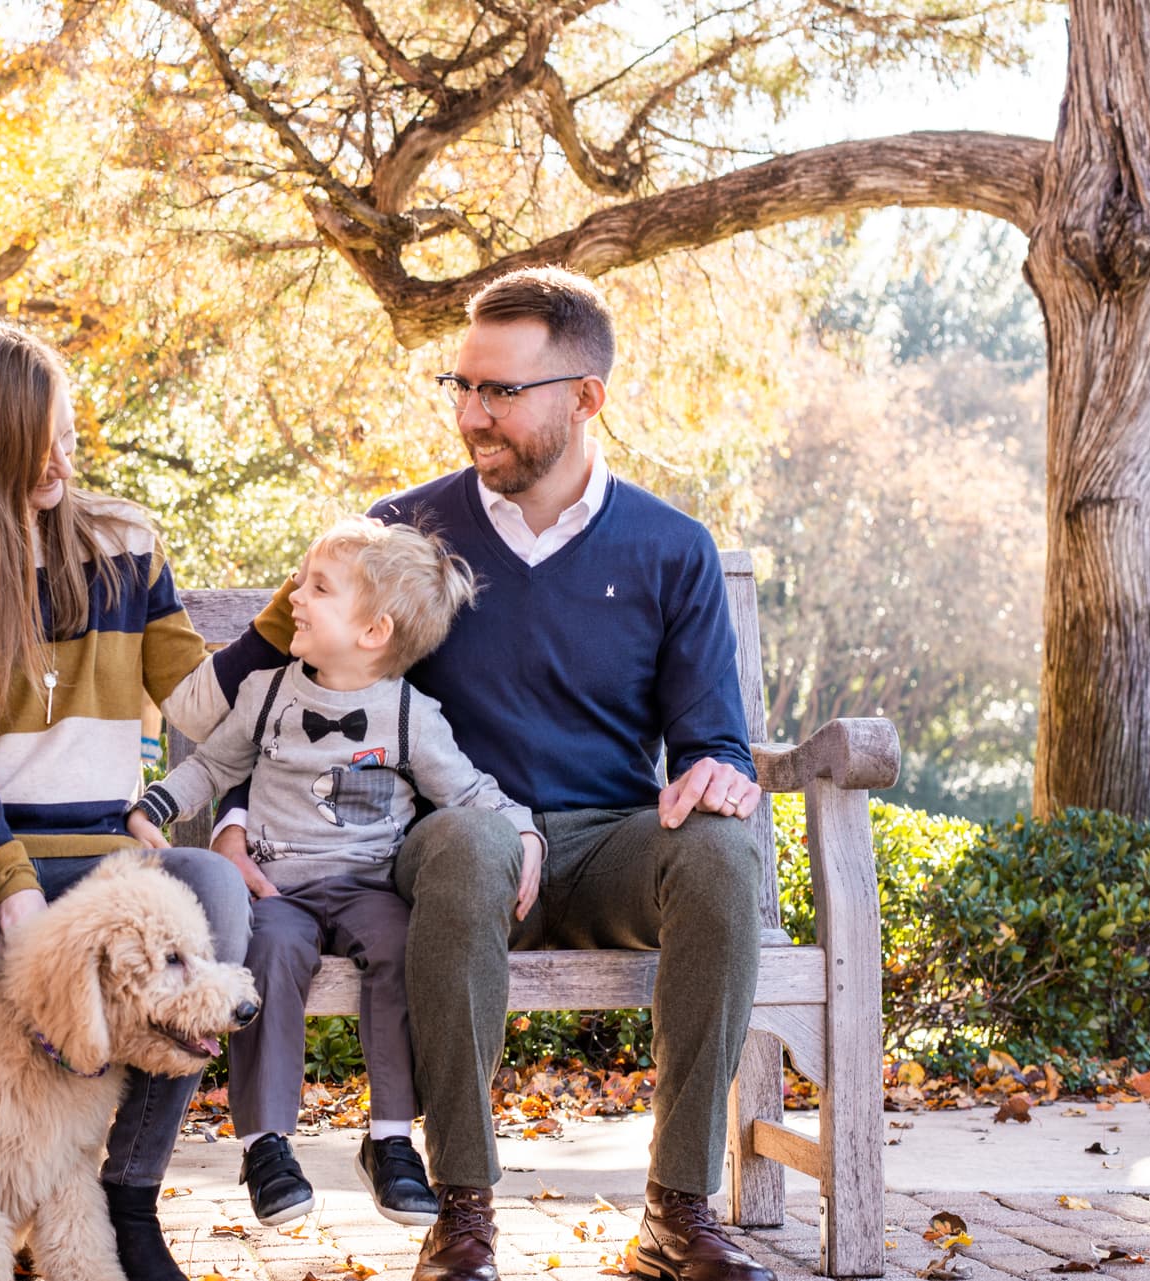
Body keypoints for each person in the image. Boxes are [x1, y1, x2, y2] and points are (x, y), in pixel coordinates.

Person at [208, 266, 775, 1281]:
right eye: (462, 386)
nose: (473, 414)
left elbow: (710, 743)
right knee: (471, 839)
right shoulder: (404, 536)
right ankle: (462, 1210)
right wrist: (236, 811)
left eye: (501, 392)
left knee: (725, 854)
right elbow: (296, 690)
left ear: (586, 397)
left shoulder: (670, 547)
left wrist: (722, 777)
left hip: (606, 844)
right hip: (448, 847)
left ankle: (678, 1212)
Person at [0, 322, 249, 1281]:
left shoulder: (123, 540)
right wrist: (13, 883)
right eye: (37, 446)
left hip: (101, 853)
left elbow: (193, 699)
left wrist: (288, 624)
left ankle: (124, 1198)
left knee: (211, 892)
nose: (61, 459)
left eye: (67, 434)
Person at [127, 515, 542, 1231]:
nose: (296, 594)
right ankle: (266, 1143)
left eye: (317, 587)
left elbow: (468, 791)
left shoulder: (410, 714)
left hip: (367, 887)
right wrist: (154, 806)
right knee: (269, 953)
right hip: (277, 888)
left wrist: (525, 832)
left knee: (401, 946)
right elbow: (212, 764)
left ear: (373, 630)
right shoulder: (266, 693)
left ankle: (390, 1140)